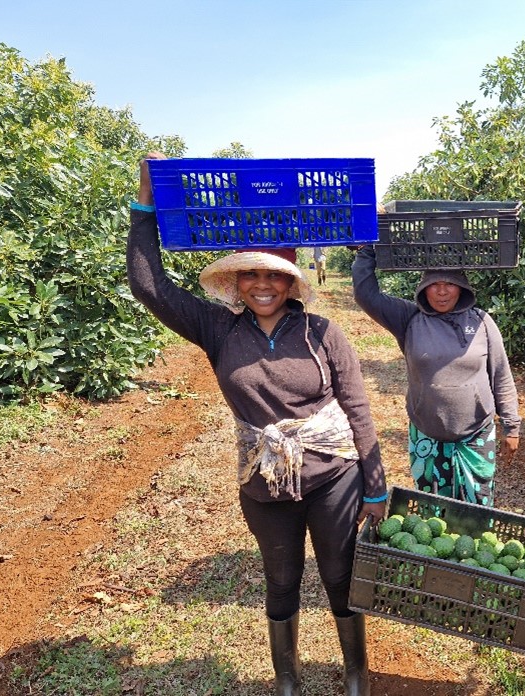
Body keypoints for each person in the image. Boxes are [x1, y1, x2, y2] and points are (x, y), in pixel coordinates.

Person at [127, 153, 386, 696]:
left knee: (340, 576)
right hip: (263, 480)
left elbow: (358, 407)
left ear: (291, 282)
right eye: (253, 274)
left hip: (332, 476)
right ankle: (287, 679)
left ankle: (356, 672)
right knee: (282, 579)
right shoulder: (218, 329)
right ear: (238, 281)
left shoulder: (322, 333)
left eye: (275, 274)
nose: (263, 284)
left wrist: (375, 484)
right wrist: (144, 208)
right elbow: (150, 287)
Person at [351, 244, 520, 506]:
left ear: (462, 287)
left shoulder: (481, 322)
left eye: (450, 284)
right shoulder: (409, 319)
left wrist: (512, 426)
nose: (442, 291)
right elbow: (366, 295)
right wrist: (367, 251)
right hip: (426, 435)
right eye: (434, 283)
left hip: (476, 436)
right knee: (432, 516)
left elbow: (501, 376)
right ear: (422, 288)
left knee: (477, 510)